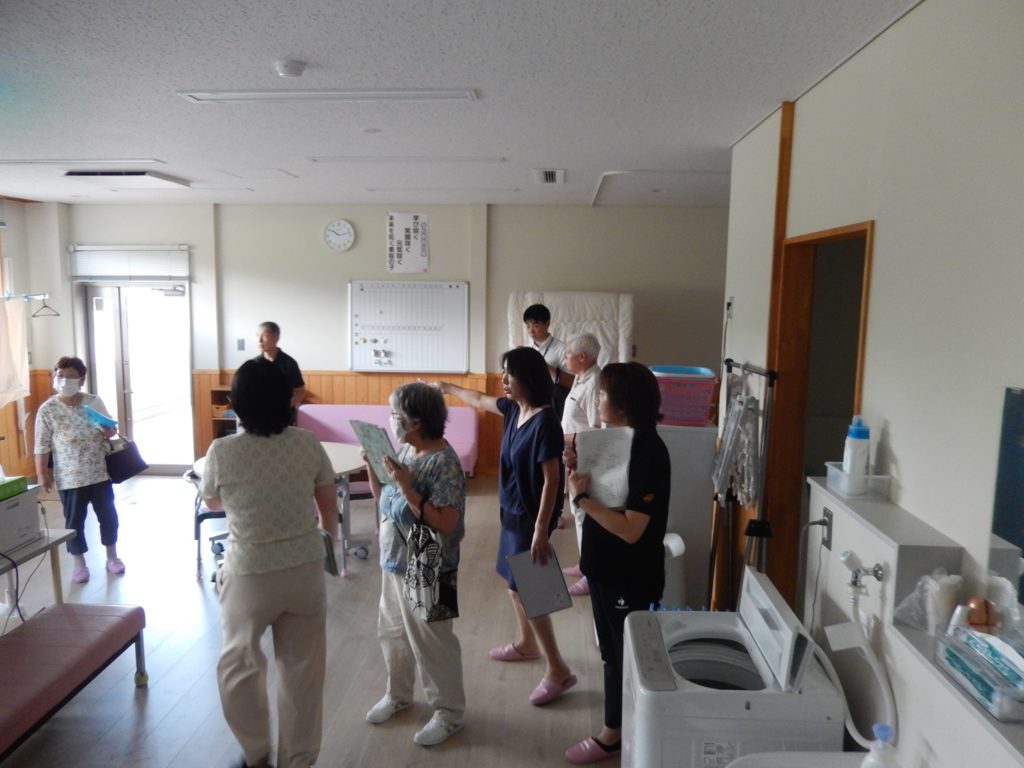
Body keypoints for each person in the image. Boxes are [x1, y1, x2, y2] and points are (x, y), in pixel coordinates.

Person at [199, 358, 338, 768]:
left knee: (239, 666)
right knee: (303, 672)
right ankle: (298, 760)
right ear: (286, 400)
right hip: (304, 569)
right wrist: (325, 546)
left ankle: (257, 754)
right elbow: (327, 508)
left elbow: (212, 500)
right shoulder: (307, 443)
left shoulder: (223, 451)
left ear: (237, 403)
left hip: (249, 573)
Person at [429, 347, 576, 707]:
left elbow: (552, 480)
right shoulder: (513, 410)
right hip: (510, 514)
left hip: (529, 519)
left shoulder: (545, 422)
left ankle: (558, 670)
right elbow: (478, 399)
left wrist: (541, 529)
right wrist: (447, 387)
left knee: (533, 591)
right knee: (514, 585)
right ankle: (527, 644)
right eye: (503, 372)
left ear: (528, 377)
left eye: (510, 373)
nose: (504, 379)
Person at [563, 362, 671, 764]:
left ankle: (615, 734)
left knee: (627, 656)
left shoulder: (648, 451)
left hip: (630, 574)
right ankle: (623, 727)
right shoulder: (614, 441)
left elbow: (631, 530)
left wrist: (581, 499)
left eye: (604, 394)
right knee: (612, 651)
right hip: (602, 567)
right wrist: (578, 473)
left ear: (623, 404)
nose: (598, 400)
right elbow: (609, 499)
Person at [363, 382, 467, 747]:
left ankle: (449, 713)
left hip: (429, 561)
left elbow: (447, 523)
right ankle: (398, 695)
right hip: (395, 558)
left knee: (433, 643)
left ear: (417, 422)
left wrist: (408, 487)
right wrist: (374, 468)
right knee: (392, 632)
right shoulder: (407, 449)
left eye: (396, 415)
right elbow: (384, 499)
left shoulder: (445, 463)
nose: (391, 420)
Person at [33, 356, 124, 584]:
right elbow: (41, 445)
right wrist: (42, 474)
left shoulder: (92, 401)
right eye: (60, 375)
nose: (65, 380)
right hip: (70, 476)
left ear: (81, 380)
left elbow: (110, 429)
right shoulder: (48, 410)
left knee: (108, 517)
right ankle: (79, 563)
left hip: (99, 472)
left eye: (71, 376)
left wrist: (109, 431)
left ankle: (112, 556)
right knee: (74, 522)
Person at [558, 333, 603, 597]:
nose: (565, 359)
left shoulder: (596, 382)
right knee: (577, 513)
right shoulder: (580, 378)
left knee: (586, 515)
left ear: (582, 357)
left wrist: (564, 439)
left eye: (568, 355)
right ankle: (585, 562)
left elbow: (597, 430)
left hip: (586, 458)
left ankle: (592, 574)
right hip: (574, 455)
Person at [522, 303, 573, 417]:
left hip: (555, 405)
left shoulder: (562, 349)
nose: (531, 331)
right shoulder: (527, 349)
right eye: (528, 326)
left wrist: (546, 367)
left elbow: (572, 382)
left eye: (536, 326)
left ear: (547, 323)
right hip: (531, 404)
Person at [255, 321, 305, 409]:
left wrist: (285, 406)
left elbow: (300, 392)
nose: (259, 340)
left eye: (264, 336)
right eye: (257, 335)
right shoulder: (254, 363)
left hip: (282, 413)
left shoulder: (289, 363)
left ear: (276, 337)